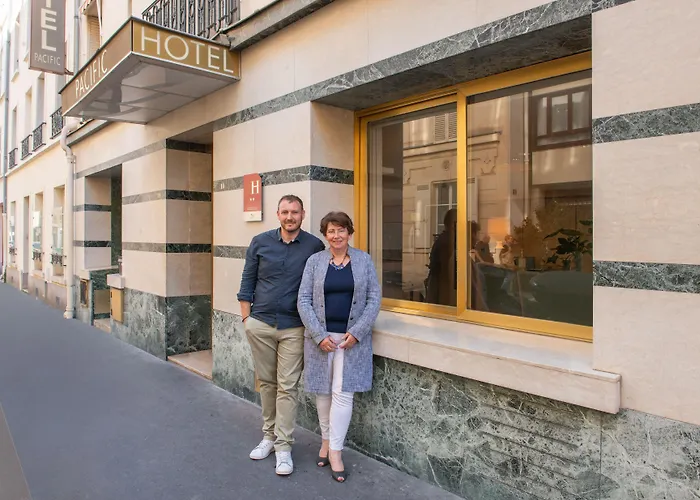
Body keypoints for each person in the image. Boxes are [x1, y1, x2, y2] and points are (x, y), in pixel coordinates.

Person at [237, 194, 325, 476]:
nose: (290, 217)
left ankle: (283, 446)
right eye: (285, 212)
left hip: (294, 327)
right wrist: (247, 319)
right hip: (260, 324)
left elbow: (318, 288)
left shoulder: (314, 246)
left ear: (303, 214)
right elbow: (247, 281)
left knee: (288, 387)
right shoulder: (260, 242)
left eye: (295, 212)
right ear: (278, 214)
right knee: (267, 383)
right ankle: (268, 436)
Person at [297, 211, 381, 483]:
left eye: (341, 230)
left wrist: (357, 333)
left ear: (349, 233)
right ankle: (325, 440)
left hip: (350, 340)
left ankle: (335, 450)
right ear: (325, 235)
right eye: (331, 231)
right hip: (321, 339)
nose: (336, 236)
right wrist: (318, 335)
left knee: (343, 394)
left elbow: (374, 299)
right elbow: (303, 299)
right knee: (323, 392)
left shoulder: (364, 260)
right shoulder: (315, 262)